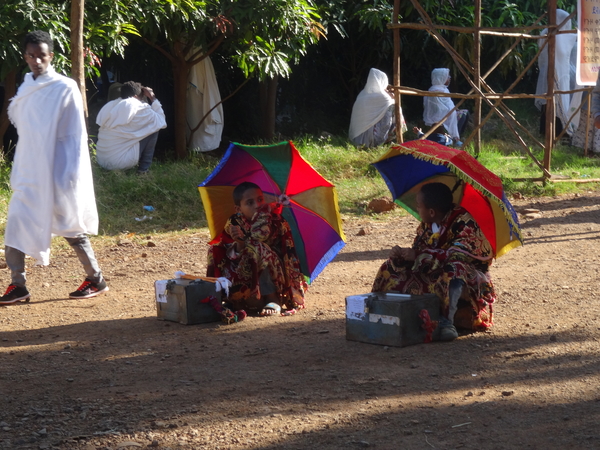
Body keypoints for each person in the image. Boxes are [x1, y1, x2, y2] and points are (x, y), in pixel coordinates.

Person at [0, 30, 108, 305]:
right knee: (16, 223)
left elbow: (73, 135)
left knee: (70, 225)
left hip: (59, 167)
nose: (37, 61)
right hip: (29, 169)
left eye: (42, 56)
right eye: (32, 56)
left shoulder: (65, 86)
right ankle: (18, 285)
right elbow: (26, 129)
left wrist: (68, 174)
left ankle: (95, 279)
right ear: (25, 57)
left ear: (52, 56)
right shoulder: (25, 87)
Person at [371, 182, 496, 341]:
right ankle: (381, 310)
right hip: (435, 270)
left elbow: (457, 255)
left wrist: (419, 255)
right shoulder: (426, 225)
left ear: (431, 211)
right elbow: (419, 251)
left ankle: (447, 322)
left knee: (454, 269)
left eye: (418, 206)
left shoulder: (465, 223)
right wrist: (402, 256)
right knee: (390, 267)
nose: (417, 209)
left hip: (466, 278)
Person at [206, 182, 307, 316]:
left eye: (260, 199)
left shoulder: (273, 219)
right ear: (238, 209)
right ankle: (232, 297)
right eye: (250, 202)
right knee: (216, 250)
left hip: (274, 271)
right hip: (246, 265)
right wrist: (239, 243)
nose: (257, 205)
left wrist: (264, 215)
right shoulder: (234, 222)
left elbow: (260, 237)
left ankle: (272, 298)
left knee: (256, 247)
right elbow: (231, 252)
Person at [95, 80, 166, 173]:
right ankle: (143, 170)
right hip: (119, 163)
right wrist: (152, 97)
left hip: (101, 161)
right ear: (136, 96)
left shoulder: (110, 105)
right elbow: (161, 121)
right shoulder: (138, 106)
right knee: (154, 127)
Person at [349, 68, 406, 148]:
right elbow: (396, 107)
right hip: (374, 138)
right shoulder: (384, 97)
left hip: (357, 138)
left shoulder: (361, 95)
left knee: (390, 108)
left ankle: (366, 143)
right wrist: (393, 98)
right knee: (395, 108)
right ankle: (382, 142)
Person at [423, 68, 469, 147]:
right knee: (463, 115)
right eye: (447, 76)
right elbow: (438, 107)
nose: (449, 78)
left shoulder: (443, 89)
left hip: (446, 113)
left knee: (464, 113)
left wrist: (454, 108)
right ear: (441, 78)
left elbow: (448, 104)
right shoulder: (437, 90)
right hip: (441, 115)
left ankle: (456, 136)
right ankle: (455, 138)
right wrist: (451, 110)